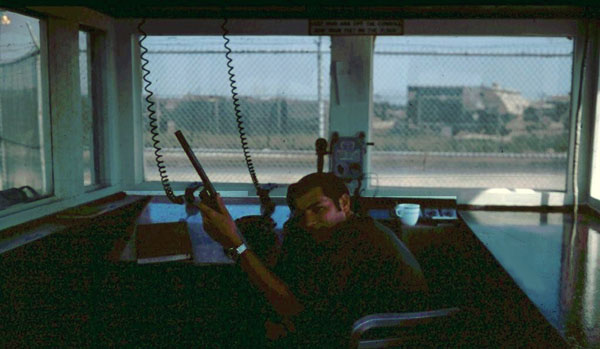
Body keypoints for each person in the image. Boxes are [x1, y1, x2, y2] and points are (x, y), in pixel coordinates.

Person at [197, 172, 428, 347]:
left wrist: (235, 244)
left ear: (344, 204)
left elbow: (293, 308)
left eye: (318, 209)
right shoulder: (342, 231)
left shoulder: (359, 240)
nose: (308, 222)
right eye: (301, 214)